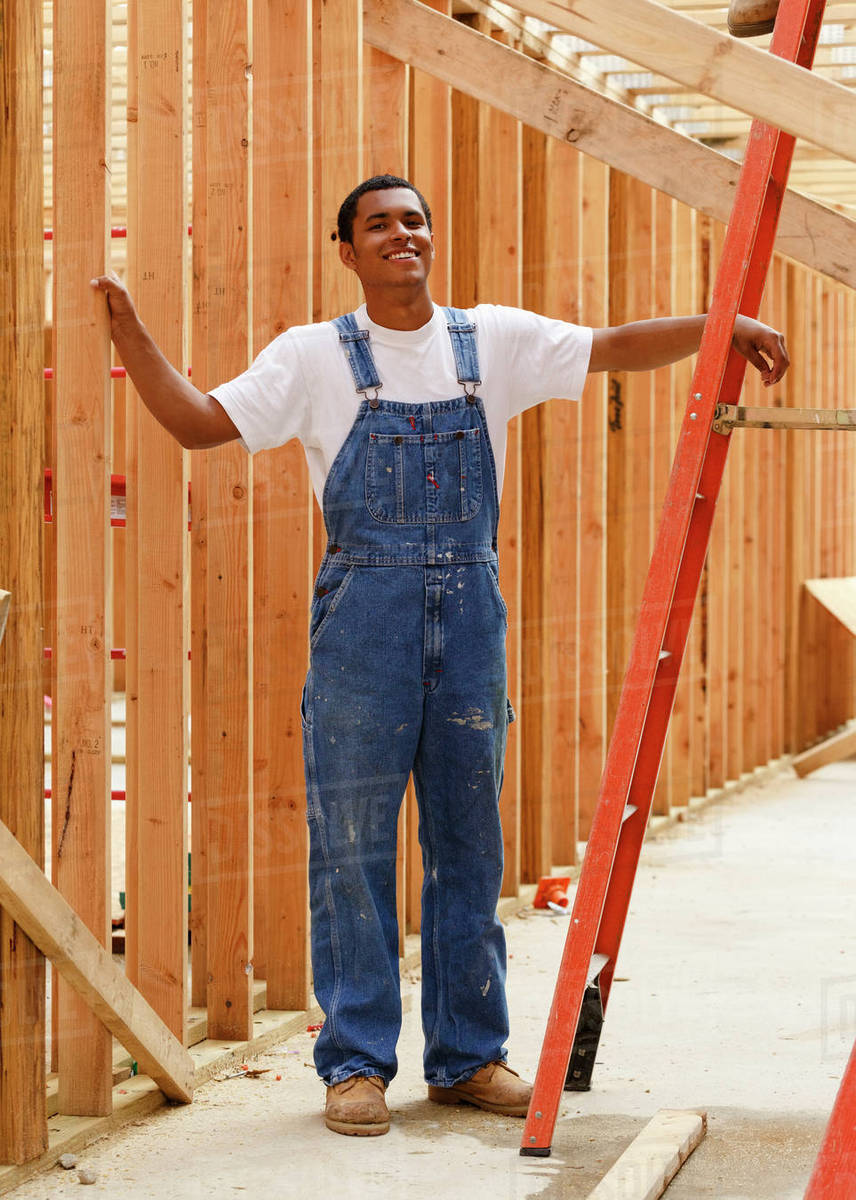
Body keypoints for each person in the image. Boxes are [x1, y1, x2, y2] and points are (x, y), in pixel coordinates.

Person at [92, 173, 789, 1139]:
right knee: (353, 846)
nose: (400, 235)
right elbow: (204, 423)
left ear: (430, 238)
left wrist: (726, 326)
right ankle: (356, 1066)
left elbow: (614, 346)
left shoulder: (489, 341)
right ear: (349, 251)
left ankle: (466, 1058)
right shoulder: (312, 357)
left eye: (413, 221)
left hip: (468, 617)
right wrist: (133, 343)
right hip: (362, 623)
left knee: (469, 843)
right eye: (377, 225)